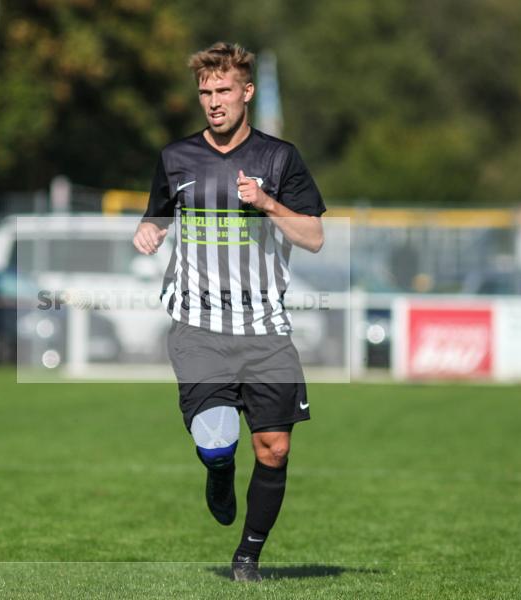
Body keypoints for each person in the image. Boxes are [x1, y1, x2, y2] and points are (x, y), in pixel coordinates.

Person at [132, 42, 325, 582]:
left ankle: (247, 558)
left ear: (247, 92)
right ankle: (217, 473)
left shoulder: (280, 159)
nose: (213, 102)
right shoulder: (176, 159)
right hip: (199, 329)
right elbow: (157, 219)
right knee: (218, 443)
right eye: (205, 93)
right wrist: (149, 228)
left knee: (275, 449)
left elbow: (313, 237)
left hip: (266, 330)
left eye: (223, 91)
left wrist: (267, 204)